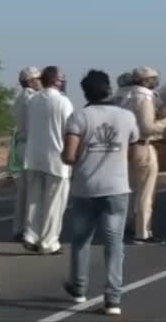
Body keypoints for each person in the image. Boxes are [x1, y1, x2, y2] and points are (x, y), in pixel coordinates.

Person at [61, 70, 139, 316]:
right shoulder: (127, 116)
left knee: (81, 240)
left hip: (86, 189)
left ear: (85, 92)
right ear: (107, 89)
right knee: (114, 244)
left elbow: (69, 156)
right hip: (117, 188)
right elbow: (133, 153)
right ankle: (113, 299)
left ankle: (79, 288)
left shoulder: (79, 117)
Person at [23, 66, 74, 255]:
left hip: (34, 156)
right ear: (56, 80)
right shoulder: (63, 102)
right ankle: (48, 242)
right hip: (56, 158)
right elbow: (70, 131)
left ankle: (31, 235)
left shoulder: (33, 100)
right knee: (54, 203)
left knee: (34, 200)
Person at [119, 66, 166, 244]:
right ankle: (142, 233)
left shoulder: (125, 96)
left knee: (132, 191)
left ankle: (129, 226)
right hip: (142, 146)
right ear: (146, 80)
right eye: (153, 79)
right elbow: (148, 127)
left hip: (127, 148)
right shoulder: (144, 97)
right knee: (145, 193)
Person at [11, 66, 42, 242]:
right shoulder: (33, 99)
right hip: (31, 145)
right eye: (38, 78)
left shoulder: (19, 98)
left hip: (22, 145)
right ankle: (30, 230)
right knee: (33, 191)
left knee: (22, 190)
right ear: (31, 81)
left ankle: (19, 228)